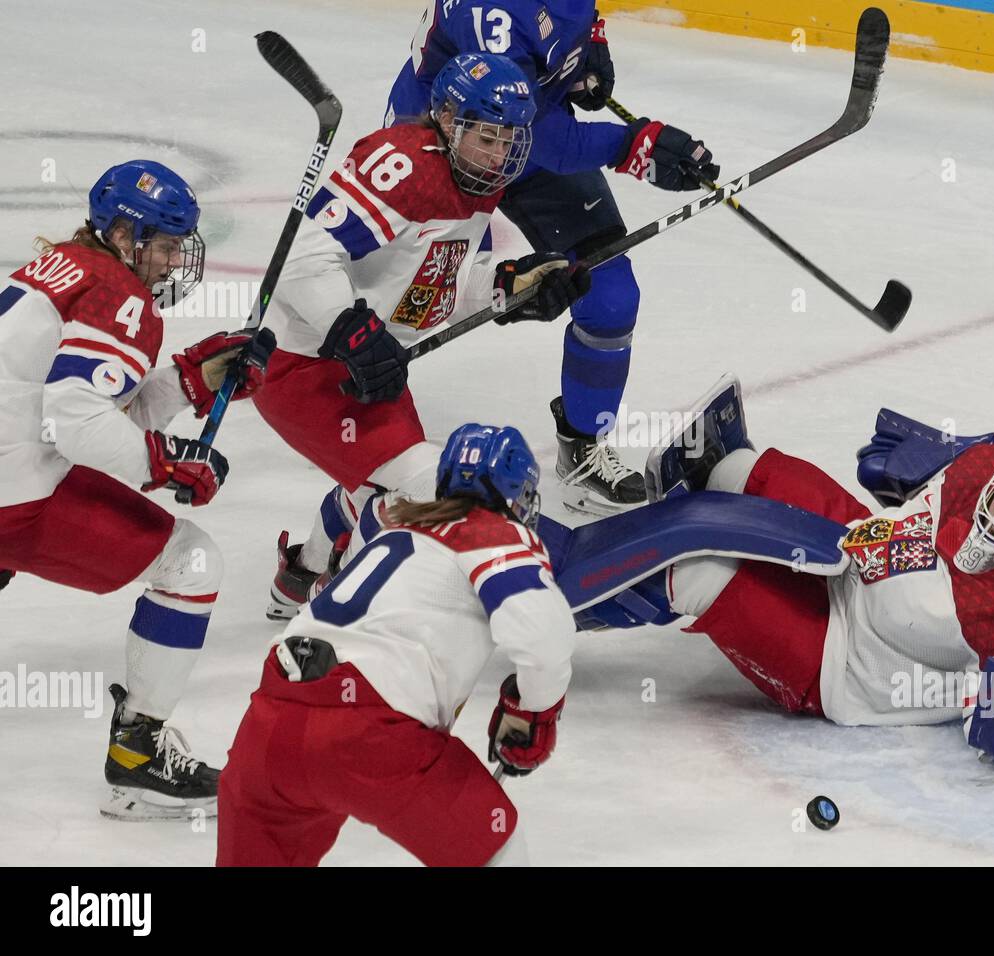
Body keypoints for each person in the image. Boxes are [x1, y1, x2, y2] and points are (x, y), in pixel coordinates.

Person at [537, 376, 994, 781]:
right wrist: (922, 461)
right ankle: (632, 542)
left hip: (839, 659)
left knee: (698, 572)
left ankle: (573, 602)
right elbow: (945, 463)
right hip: (854, 548)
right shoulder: (987, 471)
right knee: (738, 469)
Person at [256, 51, 591, 620]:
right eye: (487, 137)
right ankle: (330, 618)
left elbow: (432, 290)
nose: (500, 154)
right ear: (445, 119)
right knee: (427, 492)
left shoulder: (474, 184)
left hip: (368, 364)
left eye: (510, 140)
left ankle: (305, 571)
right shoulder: (404, 164)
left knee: (391, 484)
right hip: (300, 365)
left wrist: (512, 286)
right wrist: (350, 329)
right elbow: (302, 259)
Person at [0, 159, 274, 818]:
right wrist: (163, 463)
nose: (175, 260)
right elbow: (73, 418)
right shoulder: (118, 293)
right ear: (124, 236)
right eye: (167, 244)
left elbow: (73, 405)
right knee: (190, 561)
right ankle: (138, 756)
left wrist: (187, 380)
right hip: (14, 495)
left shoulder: (58, 266)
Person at [388, 3, 721, 514]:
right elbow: (550, 142)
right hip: (450, 148)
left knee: (610, 298)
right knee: (416, 306)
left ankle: (583, 450)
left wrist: (590, 53)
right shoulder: (493, 12)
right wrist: (633, 144)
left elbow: (568, 37)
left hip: (527, 133)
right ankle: (348, 414)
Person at [217, 423, 575, 866]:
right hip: (370, 734)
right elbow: (544, 636)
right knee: (496, 848)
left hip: (269, 724)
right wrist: (533, 710)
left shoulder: (394, 525)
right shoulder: (496, 533)